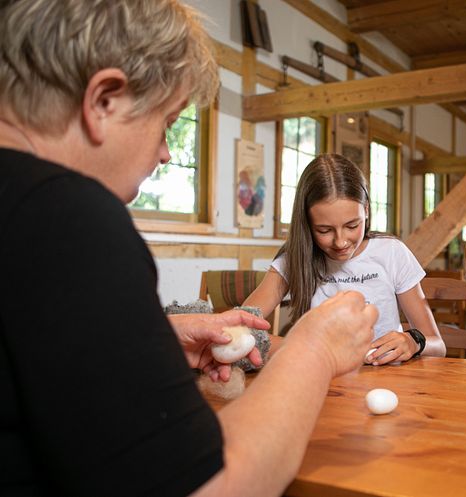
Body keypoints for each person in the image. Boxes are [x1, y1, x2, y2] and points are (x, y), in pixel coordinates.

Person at [0, 2, 377, 496]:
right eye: (166, 122)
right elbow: (212, 487)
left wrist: (152, 337)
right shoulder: (67, 216)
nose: (166, 153)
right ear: (104, 100)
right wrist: (314, 350)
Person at [244, 153, 446, 365]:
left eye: (352, 226)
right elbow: (237, 330)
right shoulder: (292, 259)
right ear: (307, 223)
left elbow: (438, 346)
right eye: (324, 230)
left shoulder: (391, 252)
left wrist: (413, 342)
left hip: (387, 380)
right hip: (321, 379)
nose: (340, 242)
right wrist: (312, 349)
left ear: (366, 210)